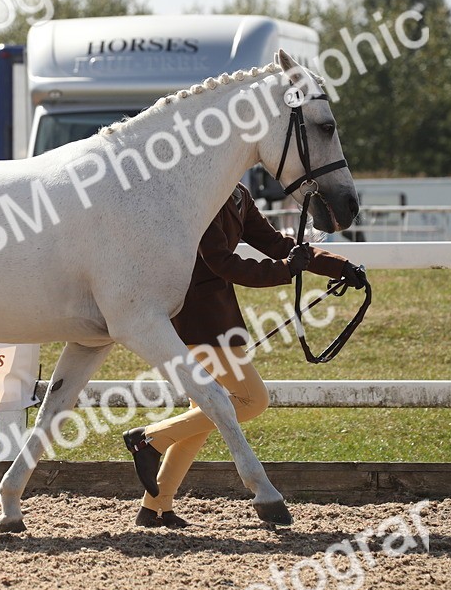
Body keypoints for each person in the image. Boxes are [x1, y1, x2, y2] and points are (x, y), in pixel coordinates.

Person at [123, 183, 367, 528]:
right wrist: (286, 270)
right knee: (252, 399)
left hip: (215, 318)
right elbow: (224, 264)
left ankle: (155, 506)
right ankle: (149, 439)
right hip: (199, 317)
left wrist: (338, 267)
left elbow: (277, 244)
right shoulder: (204, 197)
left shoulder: (237, 194)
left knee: (202, 416)